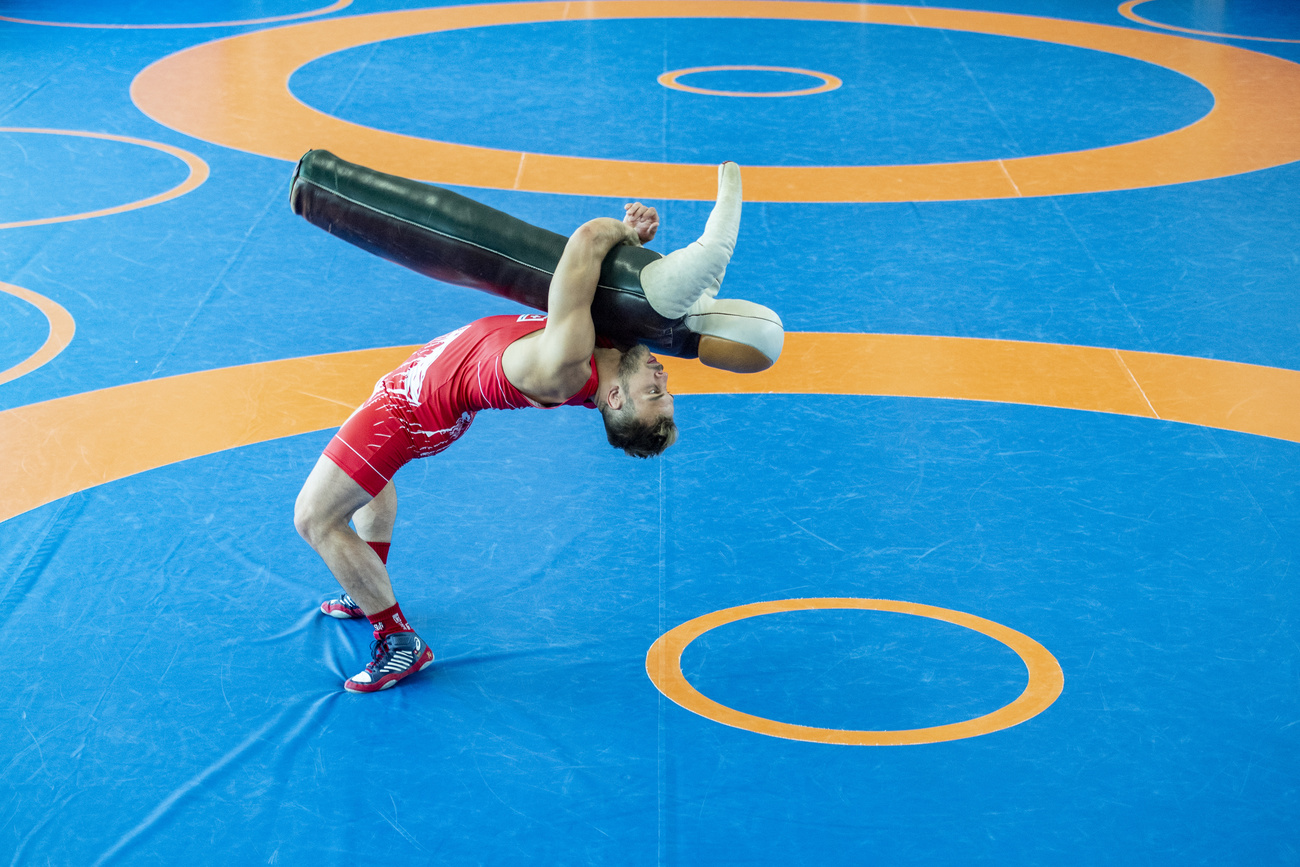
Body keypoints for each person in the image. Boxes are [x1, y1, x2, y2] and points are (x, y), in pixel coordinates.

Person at [294, 200, 684, 693]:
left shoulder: (565, 361)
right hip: (418, 396)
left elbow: (585, 241)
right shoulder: (609, 352)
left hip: (407, 413)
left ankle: (398, 643)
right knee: (371, 482)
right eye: (666, 391)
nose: (663, 378)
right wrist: (637, 248)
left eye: (654, 393)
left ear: (614, 397)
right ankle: (364, 585)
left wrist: (623, 232)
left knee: (314, 518)